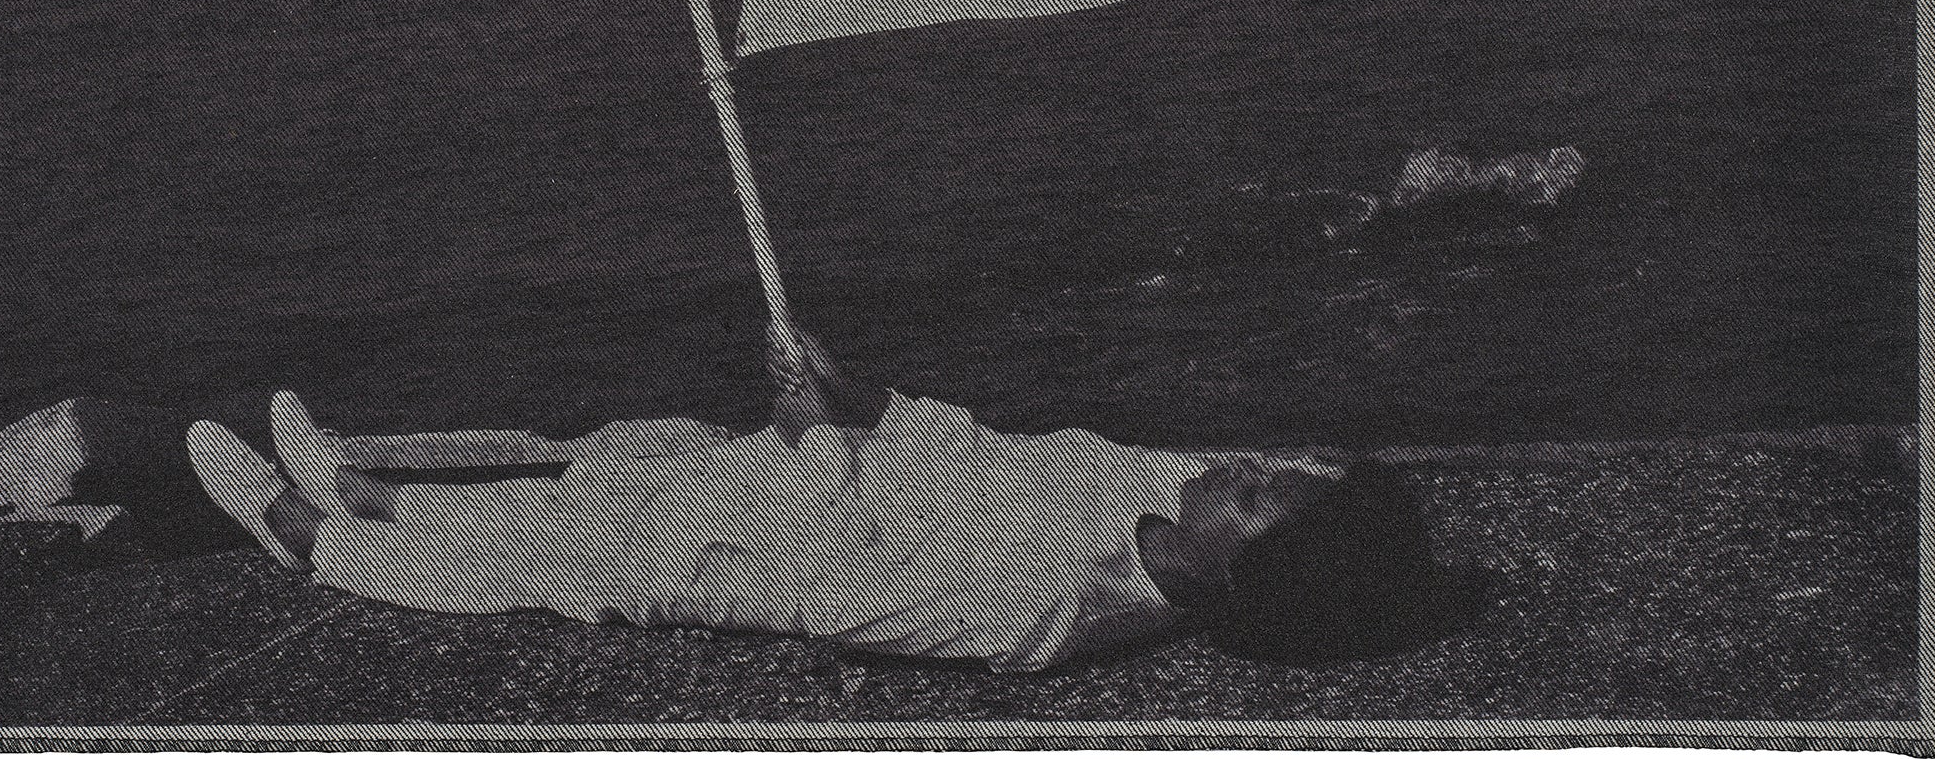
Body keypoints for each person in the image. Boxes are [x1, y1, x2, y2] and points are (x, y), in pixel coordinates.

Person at [188, 332, 1478, 672]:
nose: (1247, 467)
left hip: (728, 537)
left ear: (1229, 578)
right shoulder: (1165, 491)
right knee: (592, 455)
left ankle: (323, 540)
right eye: (1276, 469)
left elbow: (787, 583)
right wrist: (840, 403)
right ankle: (366, 486)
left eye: (1265, 496)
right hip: (788, 468)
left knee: (564, 541)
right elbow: (974, 454)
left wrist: (813, 454)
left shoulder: (1028, 608)